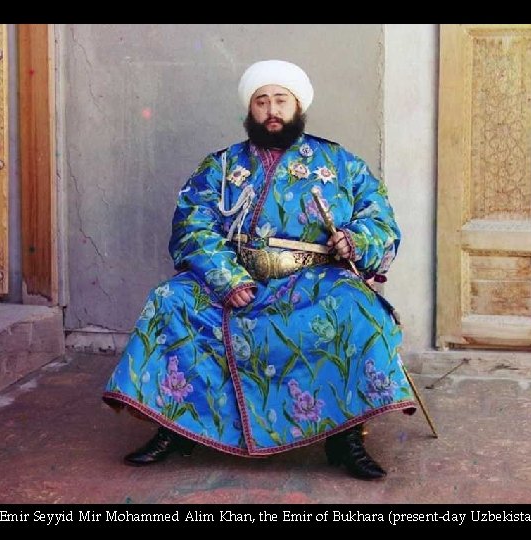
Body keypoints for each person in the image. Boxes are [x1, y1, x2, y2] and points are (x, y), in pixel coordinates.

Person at [103, 59, 417, 480]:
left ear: (298, 106)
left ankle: (345, 437)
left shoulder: (340, 163)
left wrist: (356, 240)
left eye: (281, 101)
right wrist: (226, 278)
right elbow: (191, 223)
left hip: (314, 282)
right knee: (170, 300)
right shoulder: (220, 166)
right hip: (238, 279)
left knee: (358, 309)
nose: (272, 110)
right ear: (249, 110)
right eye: (262, 101)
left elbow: (381, 221)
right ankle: (174, 425)